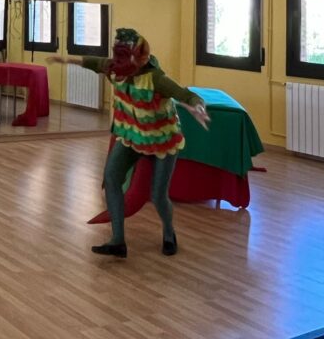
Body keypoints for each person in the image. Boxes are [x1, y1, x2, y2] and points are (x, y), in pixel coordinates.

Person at [49, 27, 209, 258]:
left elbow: (186, 95)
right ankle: (118, 241)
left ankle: (169, 233)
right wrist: (65, 60)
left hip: (162, 141)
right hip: (132, 136)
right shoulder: (115, 69)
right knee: (112, 177)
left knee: (158, 195)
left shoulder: (156, 79)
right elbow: (93, 62)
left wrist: (198, 107)